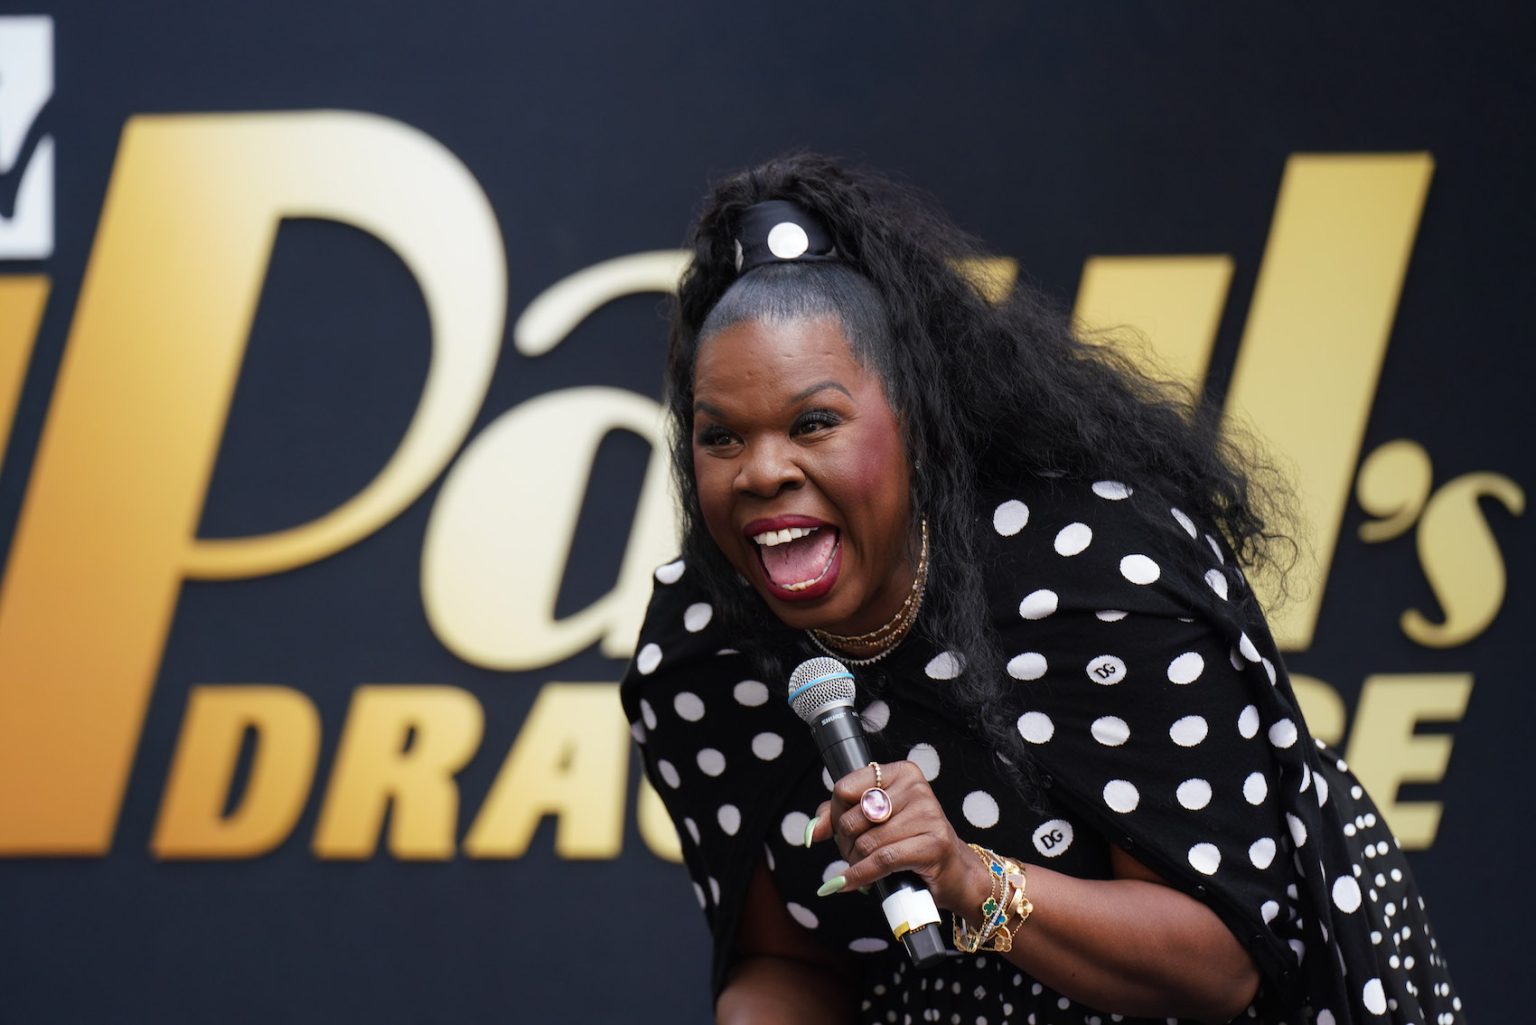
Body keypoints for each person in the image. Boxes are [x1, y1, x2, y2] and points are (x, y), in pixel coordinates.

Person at [620, 153, 1462, 1025]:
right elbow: (785, 960)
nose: (761, 471)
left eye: (814, 423)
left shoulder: (1094, 575)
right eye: (721, 438)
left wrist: (969, 878)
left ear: (914, 418)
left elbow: (1221, 968)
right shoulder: (706, 646)